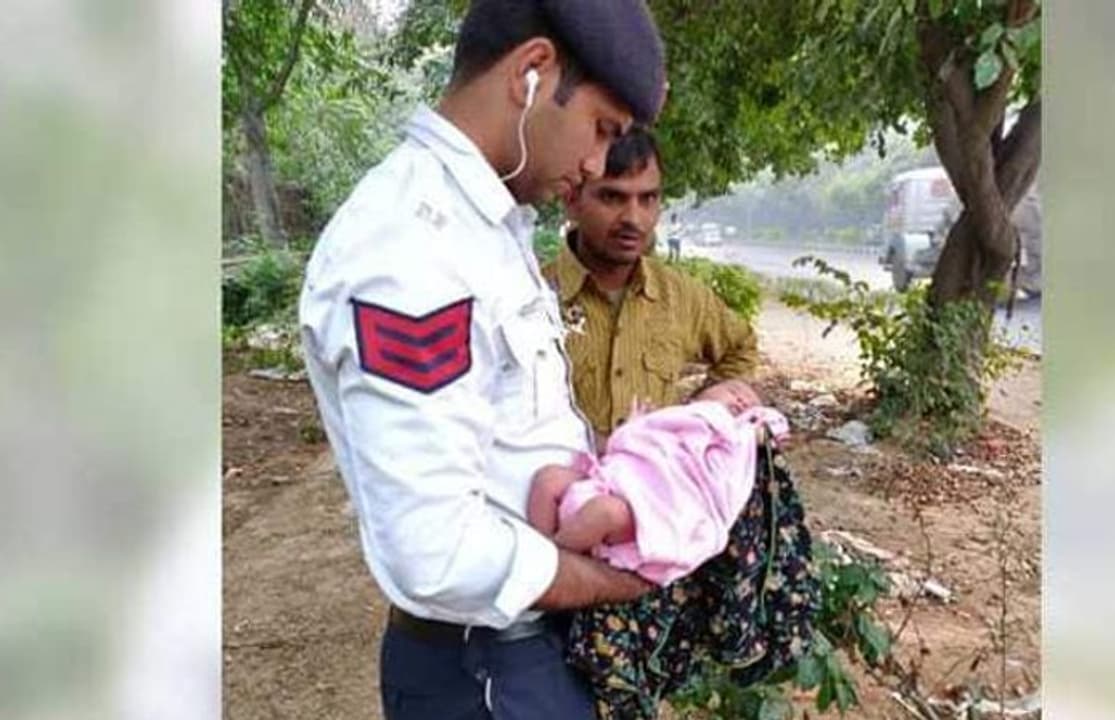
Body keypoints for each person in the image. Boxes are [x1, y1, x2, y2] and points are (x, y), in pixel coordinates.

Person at [297, 1, 666, 718]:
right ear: (532, 72)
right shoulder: (411, 249)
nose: (596, 163)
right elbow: (434, 553)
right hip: (486, 671)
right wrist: (620, 582)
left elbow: (508, 435)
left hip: (523, 653)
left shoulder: (482, 225)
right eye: (601, 129)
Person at [543, 128, 759, 443]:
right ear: (572, 200)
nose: (634, 218)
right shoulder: (533, 297)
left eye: (648, 198)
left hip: (660, 474)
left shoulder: (681, 296)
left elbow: (740, 346)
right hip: (560, 475)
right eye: (612, 197)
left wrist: (701, 416)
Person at [526, 378, 787, 587]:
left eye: (751, 404)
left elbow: (774, 426)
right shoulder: (669, 420)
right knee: (549, 479)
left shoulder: (731, 441)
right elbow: (629, 445)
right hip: (610, 479)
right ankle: (538, 543)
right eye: (733, 390)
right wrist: (633, 427)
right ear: (695, 398)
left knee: (604, 511)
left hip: (648, 509)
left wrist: (757, 428)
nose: (742, 399)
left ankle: (549, 568)